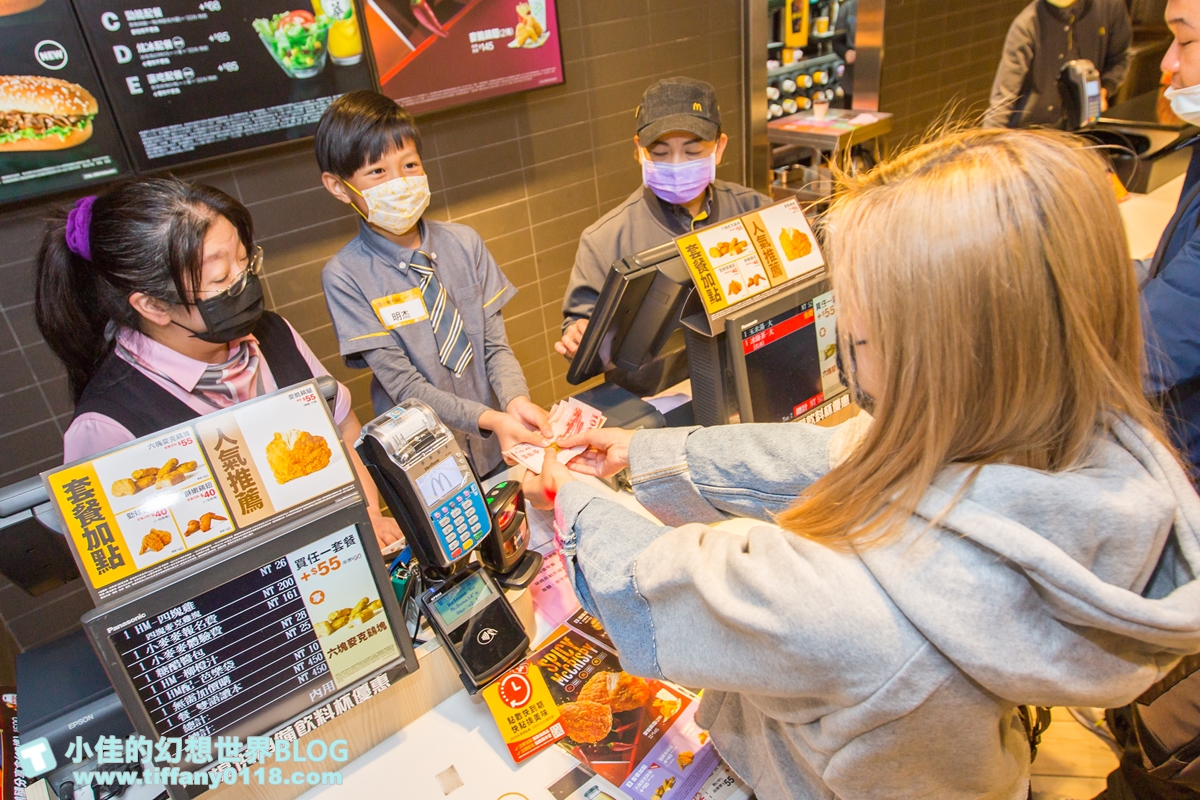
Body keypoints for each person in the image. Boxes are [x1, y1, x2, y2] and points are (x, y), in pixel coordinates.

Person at [524, 128, 1200, 800]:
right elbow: (842, 456)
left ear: (940, 357)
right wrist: (648, 453)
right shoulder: (1067, 442)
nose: (843, 342)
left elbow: (662, 592)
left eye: (856, 327)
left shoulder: (853, 608)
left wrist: (578, 502)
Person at [34, 177, 402, 549]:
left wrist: (368, 512)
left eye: (244, 262)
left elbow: (341, 429)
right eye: (220, 277)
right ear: (154, 305)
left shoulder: (275, 334)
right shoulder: (106, 424)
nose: (243, 284)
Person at [316, 91, 551, 479]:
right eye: (378, 172)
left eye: (409, 164)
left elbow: (495, 348)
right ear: (340, 186)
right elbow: (404, 386)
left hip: (497, 446)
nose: (399, 182)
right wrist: (490, 418)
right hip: (426, 467)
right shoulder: (344, 276)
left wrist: (516, 401)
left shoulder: (464, 243)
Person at [556, 77, 771, 360]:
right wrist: (578, 335)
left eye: (693, 151)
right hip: (654, 395)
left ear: (719, 148)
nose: (677, 164)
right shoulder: (604, 240)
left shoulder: (756, 212)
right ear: (639, 151)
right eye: (659, 152)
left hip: (747, 376)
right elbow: (582, 327)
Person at [983, 0, 1132, 128]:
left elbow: (1120, 58)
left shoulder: (1109, 7)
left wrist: (1104, 89)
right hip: (1032, 135)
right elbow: (1002, 100)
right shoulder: (1026, 25)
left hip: (1082, 132)